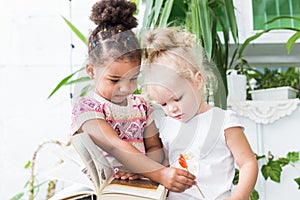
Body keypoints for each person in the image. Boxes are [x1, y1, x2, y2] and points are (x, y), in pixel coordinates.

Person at [70, 0, 196, 193]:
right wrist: (160, 174)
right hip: (101, 193)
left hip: (139, 189)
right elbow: (115, 145)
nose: (125, 88)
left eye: (133, 78)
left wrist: (141, 171)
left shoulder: (142, 107)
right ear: (91, 71)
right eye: (114, 80)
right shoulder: (86, 109)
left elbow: (154, 148)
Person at [142, 27, 258, 200]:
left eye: (177, 98)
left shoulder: (224, 121)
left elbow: (248, 163)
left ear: (197, 81)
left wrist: (239, 197)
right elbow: (163, 166)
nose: (171, 109)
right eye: (163, 104)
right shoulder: (168, 126)